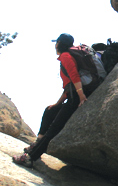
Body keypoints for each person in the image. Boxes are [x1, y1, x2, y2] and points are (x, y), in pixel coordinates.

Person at [13, 33, 93, 168]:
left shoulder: (66, 56)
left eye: (56, 43)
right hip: (73, 95)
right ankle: (37, 144)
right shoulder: (67, 56)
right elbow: (68, 86)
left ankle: (30, 158)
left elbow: (74, 76)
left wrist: (81, 96)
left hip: (76, 98)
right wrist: (58, 103)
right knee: (50, 111)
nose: (55, 45)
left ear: (59, 43)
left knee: (54, 129)